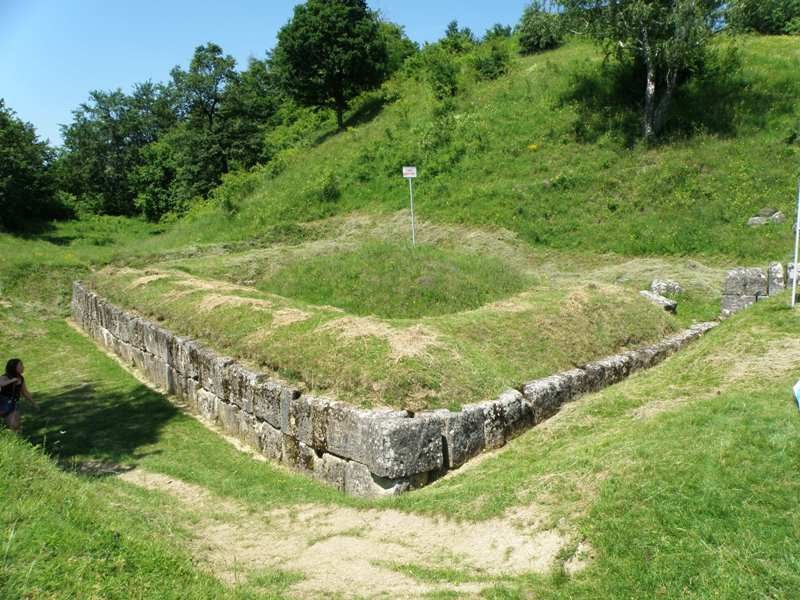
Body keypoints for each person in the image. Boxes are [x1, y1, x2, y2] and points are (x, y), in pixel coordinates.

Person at [0, 358, 37, 432]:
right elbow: (1, 383)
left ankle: (18, 440)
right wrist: (11, 381)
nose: (23, 367)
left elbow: (25, 392)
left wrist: (33, 403)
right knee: (13, 424)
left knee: (17, 424)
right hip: (4, 404)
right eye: (20, 365)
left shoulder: (21, 378)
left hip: (14, 403)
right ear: (14, 367)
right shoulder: (5, 377)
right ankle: (12, 439)